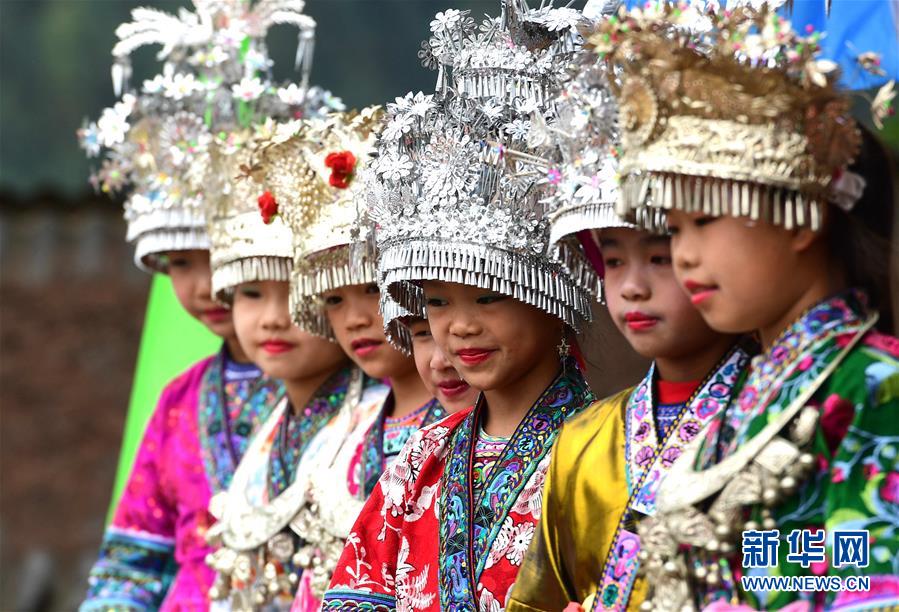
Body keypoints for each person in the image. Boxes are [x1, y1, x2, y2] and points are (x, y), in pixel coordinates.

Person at [603, 4, 899, 610]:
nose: (684, 255)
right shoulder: (751, 387)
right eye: (674, 230)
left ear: (802, 219)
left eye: (705, 220)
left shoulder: (874, 383)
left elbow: (869, 585)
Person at [321, 4, 599, 609]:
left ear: (549, 296)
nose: (461, 326)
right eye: (438, 302)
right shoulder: (423, 456)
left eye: (488, 296)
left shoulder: (602, 452)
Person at [75, 1, 326, 606]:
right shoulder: (179, 403)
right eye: (179, 264)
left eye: (217, 257)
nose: (206, 286)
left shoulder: (353, 391)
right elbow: (132, 564)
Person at [505, 52, 752, 611]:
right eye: (614, 261)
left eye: (659, 257)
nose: (633, 288)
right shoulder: (582, 439)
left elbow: (826, 581)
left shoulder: (779, 413)